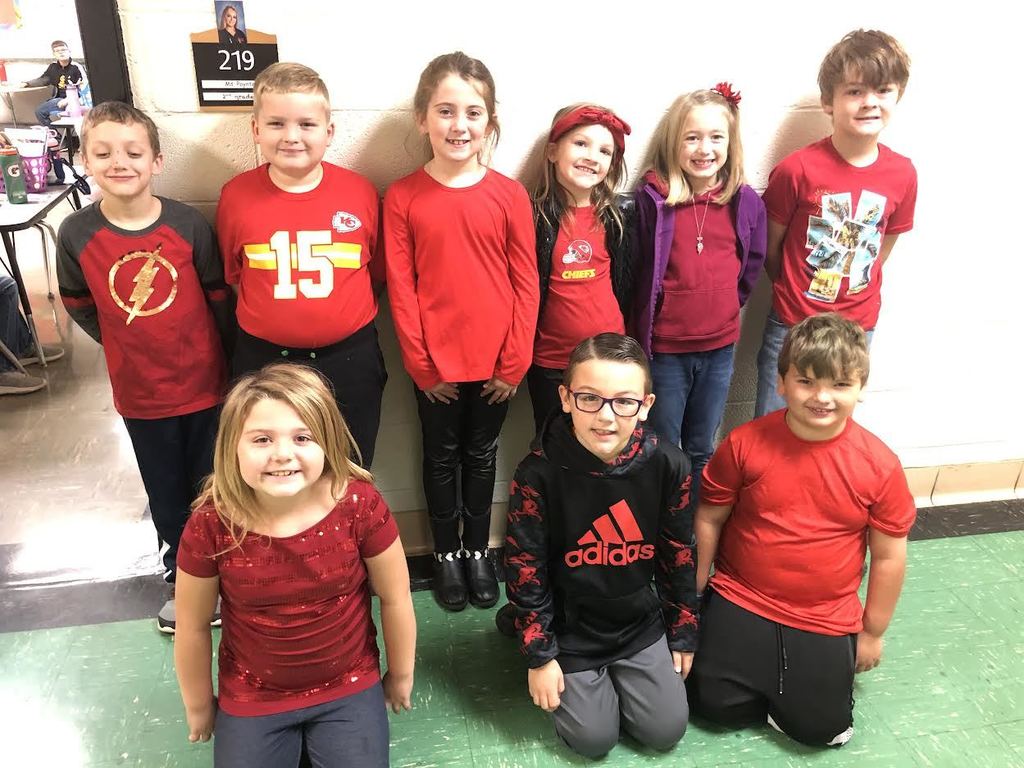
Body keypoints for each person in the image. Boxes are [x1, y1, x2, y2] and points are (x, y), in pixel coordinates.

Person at [689, 312, 915, 748]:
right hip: (741, 593)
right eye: (806, 381)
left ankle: (802, 683)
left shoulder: (879, 465)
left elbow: (889, 556)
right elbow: (709, 518)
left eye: (840, 384)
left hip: (824, 611)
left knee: (820, 731)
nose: (822, 397)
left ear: (860, 388)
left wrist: (872, 632)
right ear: (781, 382)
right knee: (711, 706)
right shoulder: (743, 443)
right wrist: (693, 594)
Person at [173, 363, 415, 767]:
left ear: (327, 443)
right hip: (253, 693)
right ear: (232, 447)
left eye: (302, 437)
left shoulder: (359, 504)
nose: (282, 454)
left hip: (349, 682)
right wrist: (198, 704)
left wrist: (402, 673)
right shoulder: (211, 524)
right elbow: (192, 624)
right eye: (261, 439)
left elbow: (396, 596)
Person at [56, 101, 233, 632]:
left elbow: (218, 299)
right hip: (141, 396)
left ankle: (224, 574)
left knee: (213, 486)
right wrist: (119, 341)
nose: (119, 163)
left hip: (205, 387)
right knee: (166, 493)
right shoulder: (76, 233)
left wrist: (224, 366)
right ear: (84, 160)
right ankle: (182, 578)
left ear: (156, 160)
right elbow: (78, 303)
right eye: (104, 153)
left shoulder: (187, 224)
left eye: (133, 152)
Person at [383, 51, 538, 612]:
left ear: (490, 121)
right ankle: (446, 552)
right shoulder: (403, 196)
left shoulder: (508, 195)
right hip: (436, 369)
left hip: (497, 366)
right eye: (445, 111)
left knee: (482, 455)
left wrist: (514, 363)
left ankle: (477, 550)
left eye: (473, 113)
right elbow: (401, 289)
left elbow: (526, 284)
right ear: (422, 118)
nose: (459, 125)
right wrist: (422, 367)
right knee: (439, 456)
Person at [501, 333, 697, 759]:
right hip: (570, 627)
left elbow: (678, 554)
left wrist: (682, 632)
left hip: (635, 621)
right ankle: (517, 626)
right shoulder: (537, 473)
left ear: (645, 405)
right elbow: (524, 566)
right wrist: (540, 656)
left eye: (624, 401)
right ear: (565, 398)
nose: (606, 417)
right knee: (594, 740)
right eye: (589, 398)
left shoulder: (670, 465)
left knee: (665, 730)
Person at [217, 62, 387, 468]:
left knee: (351, 467)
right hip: (264, 361)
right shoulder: (236, 196)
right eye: (276, 123)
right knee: (274, 469)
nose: (291, 136)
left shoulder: (360, 192)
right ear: (256, 129)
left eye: (307, 124)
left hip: (350, 359)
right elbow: (236, 275)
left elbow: (375, 273)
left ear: (329, 131)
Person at [754, 29, 916, 416]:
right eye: (855, 91)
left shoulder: (903, 174)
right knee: (771, 426)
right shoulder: (796, 170)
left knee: (830, 428)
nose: (869, 102)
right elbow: (770, 250)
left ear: (897, 95)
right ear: (828, 101)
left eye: (882, 90)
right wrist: (796, 294)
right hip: (793, 323)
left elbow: (883, 247)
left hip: (857, 328)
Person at [631, 85, 766, 499]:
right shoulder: (654, 201)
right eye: (692, 137)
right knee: (663, 445)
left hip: (719, 349)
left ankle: (692, 523)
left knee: (702, 446)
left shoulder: (744, 202)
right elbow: (636, 270)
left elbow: (752, 265)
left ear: (730, 143)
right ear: (674, 142)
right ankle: (663, 521)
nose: (704, 149)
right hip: (667, 350)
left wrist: (725, 306)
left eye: (715, 137)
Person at [527, 103, 635, 434]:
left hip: (609, 359)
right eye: (581, 144)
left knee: (605, 442)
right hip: (551, 362)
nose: (592, 156)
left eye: (604, 151)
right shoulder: (533, 216)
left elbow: (626, 285)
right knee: (553, 443)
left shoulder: (617, 216)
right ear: (552, 152)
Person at [20, 40, 85, 127]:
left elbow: (85, 87)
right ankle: (54, 134)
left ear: (69, 51)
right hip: (58, 100)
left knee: (42, 111)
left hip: (75, 100)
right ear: (54, 54)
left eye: (63, 50)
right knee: (40, 112)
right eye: (57, 51)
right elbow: (44, 79)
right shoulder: (53, 67)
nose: (61, 53)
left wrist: (69, 100)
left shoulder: (76, 67)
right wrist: (27, 83)